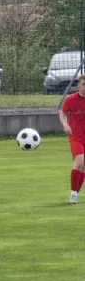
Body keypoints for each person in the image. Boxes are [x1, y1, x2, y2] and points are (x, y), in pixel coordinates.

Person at [59, 74, 85, 204]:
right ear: (78, 85)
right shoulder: (70, 99)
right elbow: (62, 113)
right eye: (83, 84)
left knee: (83, 167)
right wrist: (65, 124)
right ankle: (73, 195)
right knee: (79, 162)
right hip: (76, 137)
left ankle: (76, 192)